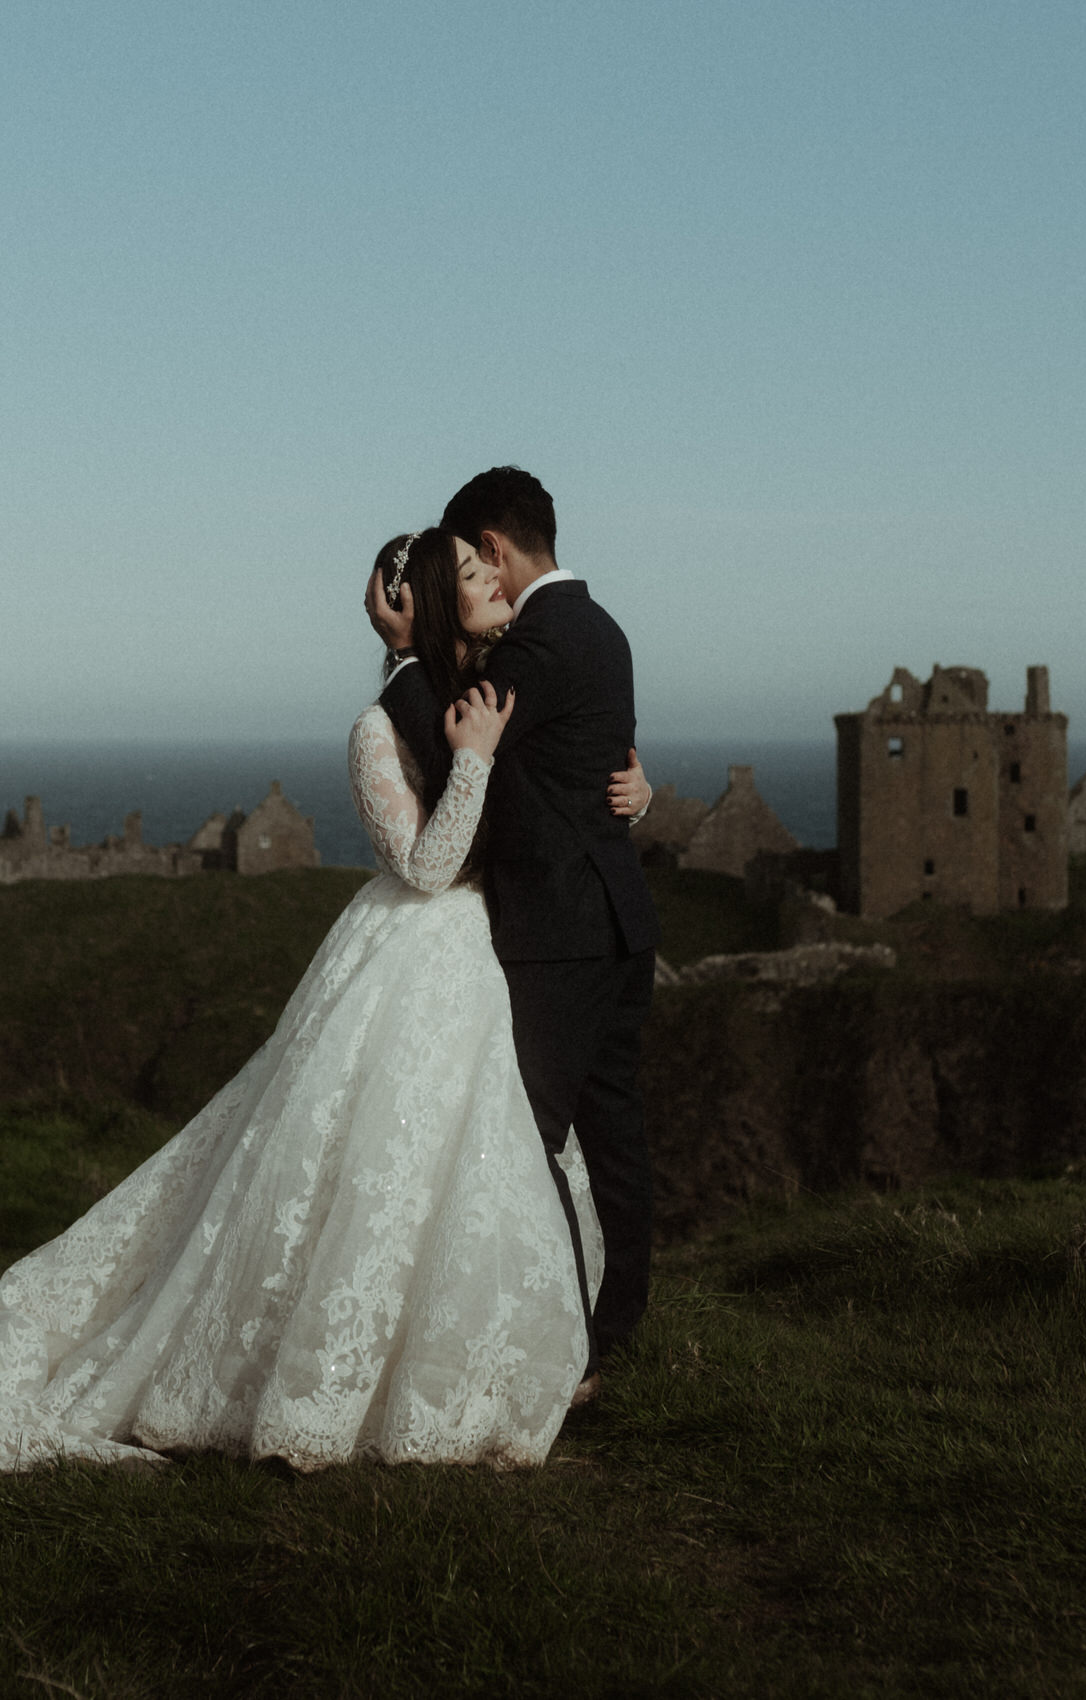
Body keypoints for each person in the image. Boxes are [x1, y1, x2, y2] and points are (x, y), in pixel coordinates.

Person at [0, 529, 654, 1508]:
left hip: (498, 960)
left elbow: (568, 781)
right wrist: (467, 757)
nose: (487, 590)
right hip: (416, 958)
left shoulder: (497, 692)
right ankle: (345, 1382)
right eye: (460, 583)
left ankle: (501, 1357)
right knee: (379, 1161)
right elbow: (424, 865)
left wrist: (636, 785)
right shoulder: (384, 724)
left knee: (485, 1163)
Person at [366, 468, 660, 1401]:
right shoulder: (602, 627)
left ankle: (569, 1349)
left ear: (492, 548)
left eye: (471, 561)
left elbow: (460, 736)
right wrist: (637, 794)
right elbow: (588, 764)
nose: (477, 584)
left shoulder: (538, 641)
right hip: (617, 915)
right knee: (613, 1138)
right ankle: (612, 1334)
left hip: (559, 932)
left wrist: (407, 656)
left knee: (528, 1142)